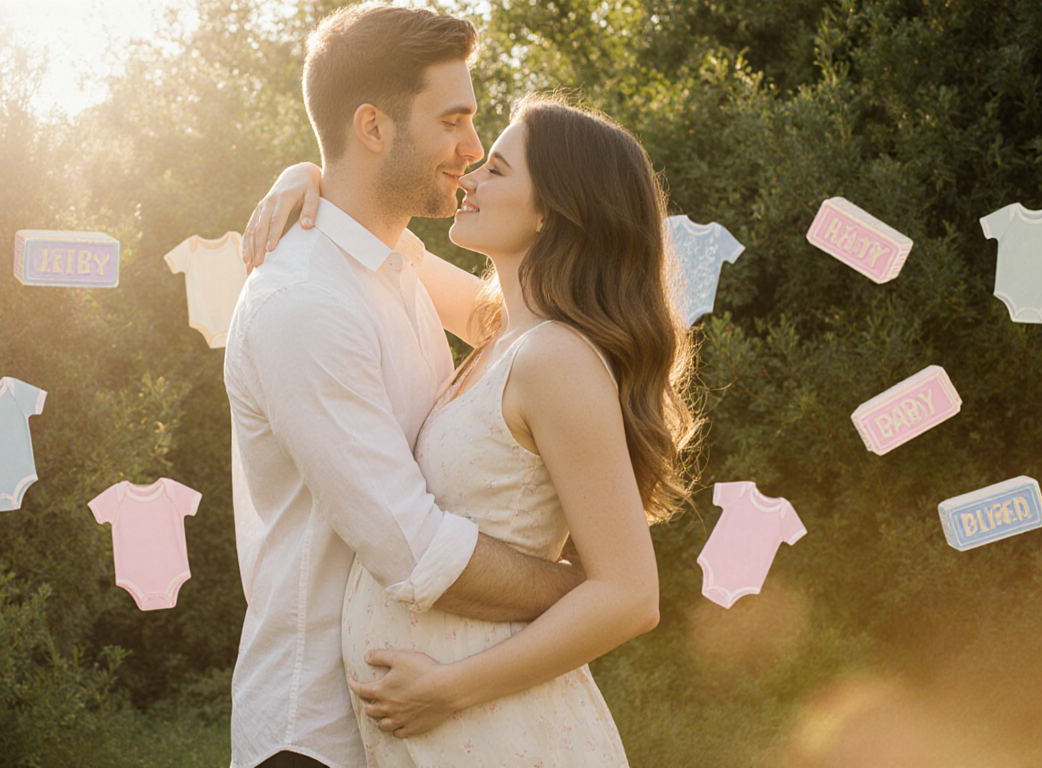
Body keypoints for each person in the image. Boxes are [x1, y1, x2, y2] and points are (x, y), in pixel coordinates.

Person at [245, 93, 697, 766]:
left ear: (551, 211)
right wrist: (306, 177)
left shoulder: (555, 359)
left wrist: (452, 689)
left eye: (497, 170)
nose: (469, 179)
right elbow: (377, 237)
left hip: (500, 728)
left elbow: (630, 597)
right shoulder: (501, 334)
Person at [223, 6, 589, 768]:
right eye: (452, 120)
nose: (473, 148)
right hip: (318, 731)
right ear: (373, 127)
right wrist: (583, 595)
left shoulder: (396, 270)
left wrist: (312, 171)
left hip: (409, 724)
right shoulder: (306, 304)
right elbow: (413, 550)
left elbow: (523, 334)